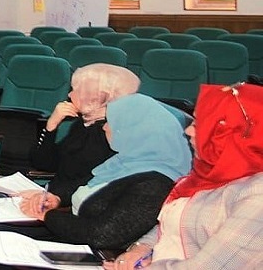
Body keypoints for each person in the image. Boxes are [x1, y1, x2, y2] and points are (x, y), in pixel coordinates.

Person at [0, 91, 193, 269]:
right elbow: (85, 184)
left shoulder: (155, 182)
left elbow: (103, 234)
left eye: (113, 124)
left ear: (136, 132)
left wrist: (47, 216)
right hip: (73, 223)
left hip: (94, 248)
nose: (105, 128)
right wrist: (55, 199)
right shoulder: (127, 160)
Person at [0, 63, 140, 268]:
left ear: (98, 98)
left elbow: (95, 183)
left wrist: (53, 197)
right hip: (50, 199)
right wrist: (51, 126)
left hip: (69, 212)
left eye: (76, 90)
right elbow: (43, 162)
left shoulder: (112, 134)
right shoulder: (83, 124)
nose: (70, 94)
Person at [105, 82, 263, 269]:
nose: (187, 131)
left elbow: (214, 266)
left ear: (228, 133)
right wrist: (141, 248)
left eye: (199, 124)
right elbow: (173, 223)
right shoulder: (205, 174)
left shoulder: (257, 194)